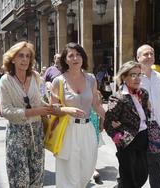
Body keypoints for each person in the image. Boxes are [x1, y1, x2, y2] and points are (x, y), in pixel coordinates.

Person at [0, 41, 56, 187]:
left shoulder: (37, 77)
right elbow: (5, 111)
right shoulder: (5, 81)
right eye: (21, 56)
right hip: (16, 133)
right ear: (12, 58)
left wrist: (52, 107)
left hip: (36, 132)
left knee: (37, 178)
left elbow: (42, 99)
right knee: (20, 180)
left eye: (28, 56)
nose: (25, 59)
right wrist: (34, 112)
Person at [50, 42, 105, 187]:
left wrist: (109, 119)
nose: (75, 58)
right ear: (65, 59)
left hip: (88, 129)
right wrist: (66, 110)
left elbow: (96, 105)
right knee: (69, 174)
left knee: (87, 169)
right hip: (67, 129)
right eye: (71, 55)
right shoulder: (58, 81)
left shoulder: (91, 79)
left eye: (78, 54)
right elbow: (52, 109)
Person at [104, 61, 150, 188]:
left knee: (142, 175)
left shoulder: (144, 93)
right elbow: (108, 123)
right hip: (126, 140)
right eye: (133, 75)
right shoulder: (118, 98)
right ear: (124, 77)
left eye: (139, 74)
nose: (137, 78)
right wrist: (118, 138)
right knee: (129, 178)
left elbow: (145, 114)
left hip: (143, 137)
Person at [137, 44, 160, 188]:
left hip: (156, 127)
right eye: (145, 54)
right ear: (138, 58)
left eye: (152, 53)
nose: (149, 56)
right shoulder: (133, 76)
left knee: (155, 164)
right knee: (137, 166)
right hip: (139, 128)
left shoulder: (158, 75)